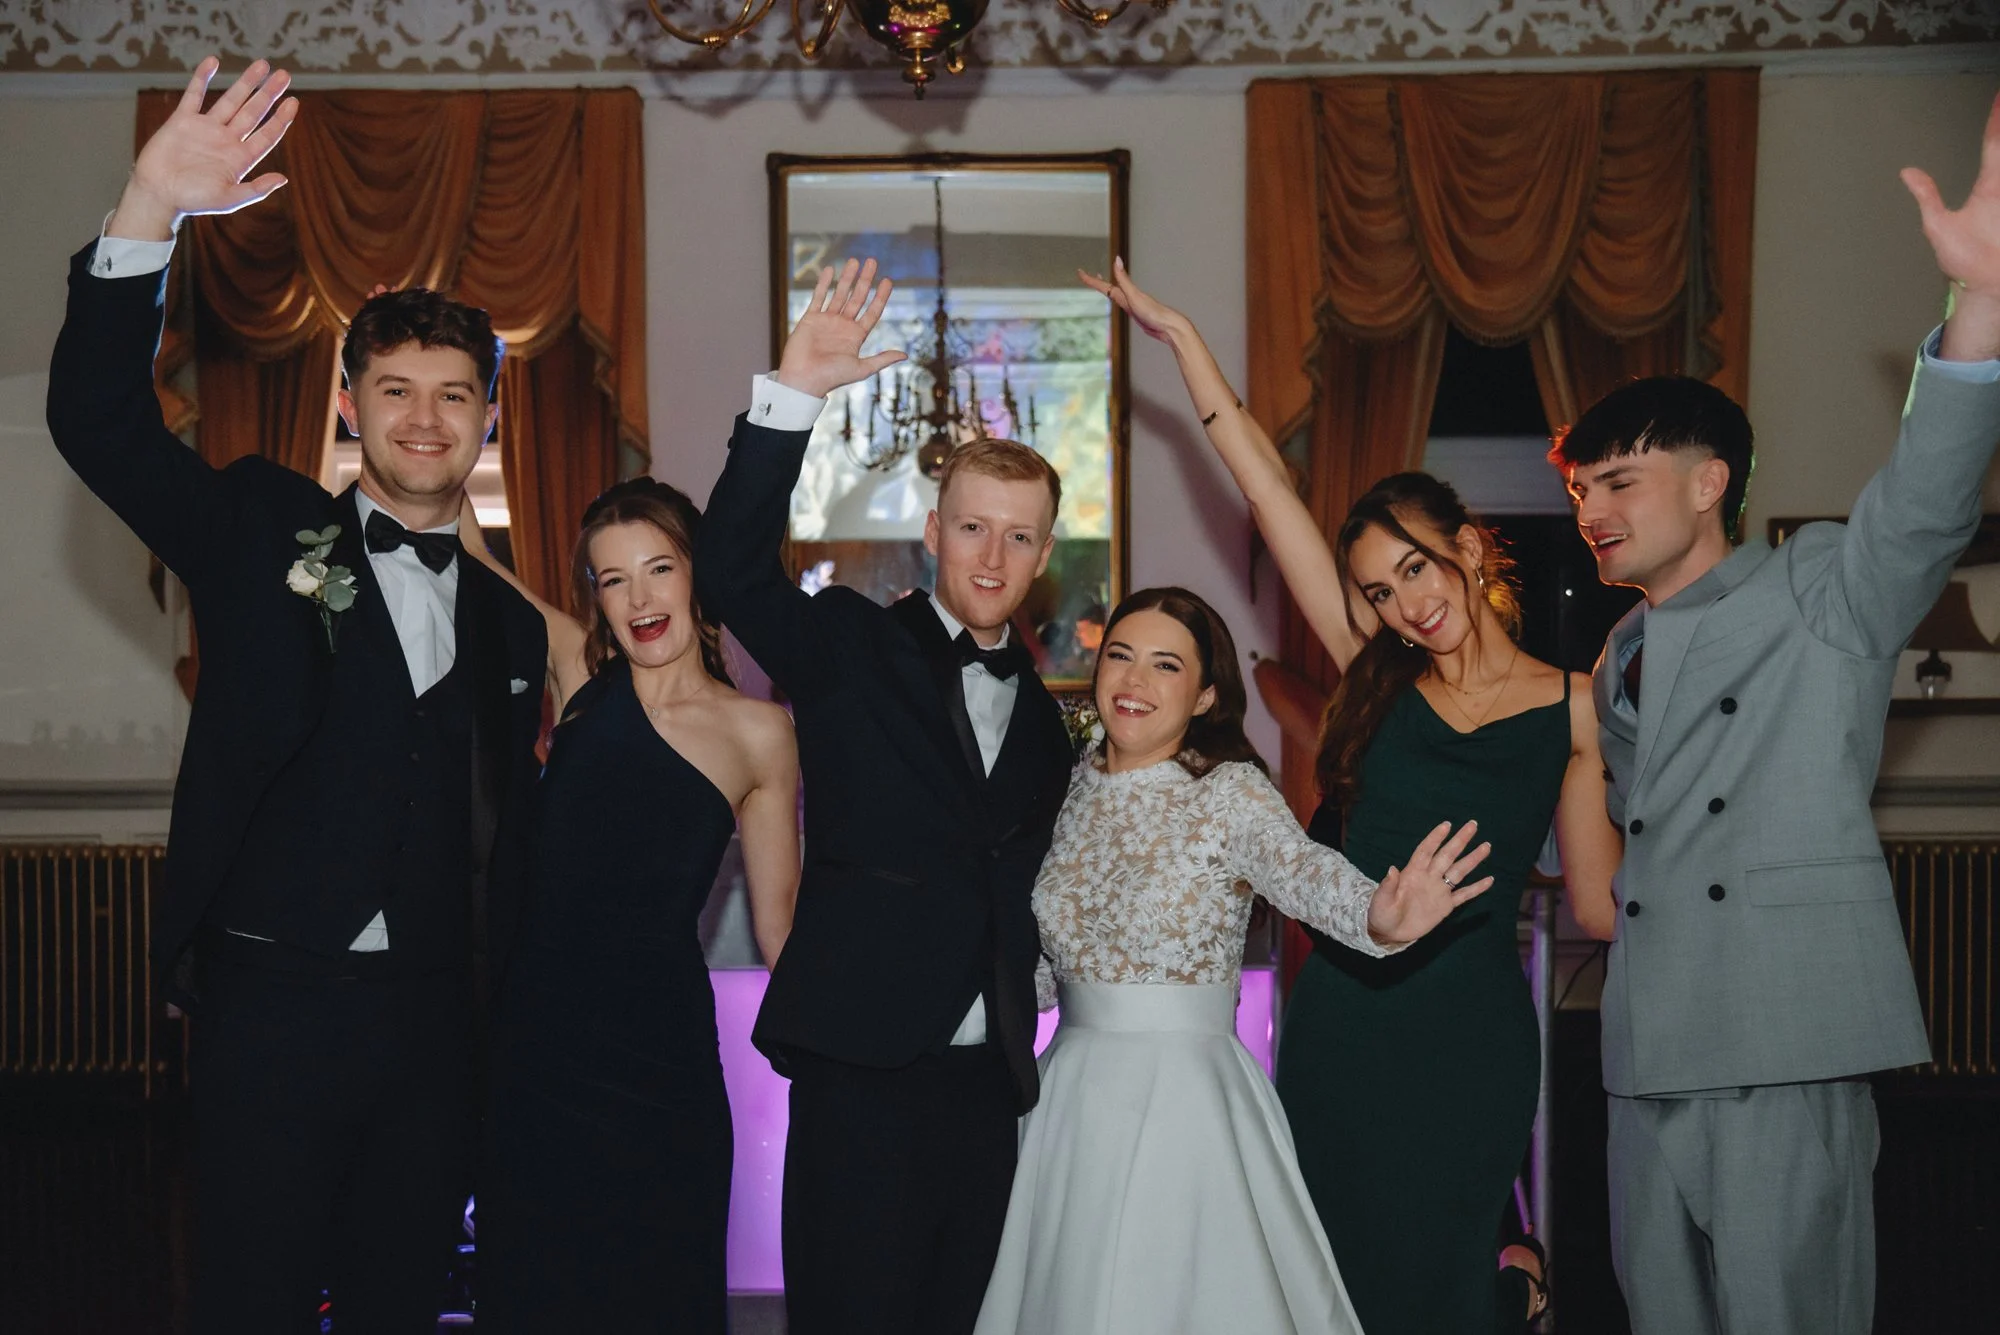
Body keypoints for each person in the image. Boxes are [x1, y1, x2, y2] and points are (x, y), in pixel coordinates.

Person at [43, 60, 548, 1333]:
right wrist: (149, 205)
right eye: (395, 391)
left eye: (452, 395)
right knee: (251, 1297)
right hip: (272, 1005)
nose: (424, 421)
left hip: (438, 1021)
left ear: (489, 417)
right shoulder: (266, 527)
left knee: (402, 1296)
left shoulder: (507, 619)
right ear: (346, 405)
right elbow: (101, 422)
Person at [1081, 261, 1623, 1334]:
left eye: (1417, 570)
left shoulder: (1577, 708)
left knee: (1445, 1276)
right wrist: (1183, 340)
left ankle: (1509, 1279)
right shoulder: (1372, 671)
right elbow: (1264, 488)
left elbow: (1600, 907)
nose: (1405, 604)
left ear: (1466, 549)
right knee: (1325, 1282)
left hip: (1467, 1035)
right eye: (1379, 589)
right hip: (1343, 1023)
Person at [1547, 98, 2000, 1335]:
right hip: (1646, 1051)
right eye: (1581, 490)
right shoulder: (1617, 649)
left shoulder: (1818, 592)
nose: (1592, 510)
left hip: (1780, 1032)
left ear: (1709, 484)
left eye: (1619, 482)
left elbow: (1922, 503)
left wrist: (1976, 313)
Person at [695, 259, 1077, 1335]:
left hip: (989, 1076)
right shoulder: (851, 649)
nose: (991, 553)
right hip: (860, 1061)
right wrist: (793, 400)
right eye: (971, 527)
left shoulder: (1049, 723)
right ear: (932, 532)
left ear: (1044, 551)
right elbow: (727, 573)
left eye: (1017, 534)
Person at [975, 586, 1496, 1335]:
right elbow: (1048, 968)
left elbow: (1303, 870)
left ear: (1205, 693)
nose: (1134, 680)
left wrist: (1379, 915)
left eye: (1165, 664)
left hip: (1187, 1101)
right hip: (1068, 1100)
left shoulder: (1228, 792)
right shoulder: (1064, 789)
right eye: (1120, 656)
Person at [466, 479, 799, 1331]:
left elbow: (779, 928)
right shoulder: (579, 673)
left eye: (660, 568)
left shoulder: (759, 732)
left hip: (662, 1070)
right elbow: (473, 557)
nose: (641, 597)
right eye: (614, 579)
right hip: (536, 1055)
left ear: (699, 577)